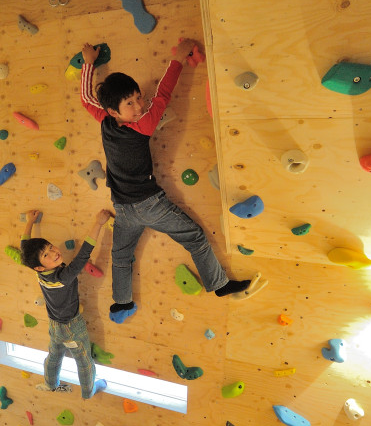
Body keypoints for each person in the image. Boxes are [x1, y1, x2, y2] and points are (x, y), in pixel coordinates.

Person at [80, 39, 250, 323]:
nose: (138, 105)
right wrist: (179, 58)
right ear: (113, 111)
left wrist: (88, 63)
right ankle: (219, 285)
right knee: (194, 237)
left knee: (122, 257)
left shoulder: (105, 122)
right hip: (149, 205)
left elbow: (86, 99)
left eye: (137, 98)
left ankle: (121, 304)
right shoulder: (144, 124)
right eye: (130, 103)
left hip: (123, 208)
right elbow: (164, 94)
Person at [20, 209, 110, 398]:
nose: (53, 253)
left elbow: (24, 245)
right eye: (46, 255)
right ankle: (88, 391)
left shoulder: (39, 272)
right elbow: (84, 254)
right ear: (39, 266)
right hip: (72, 327)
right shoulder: (63, 277)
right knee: (83, 361)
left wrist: (30, 222)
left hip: (54, 325)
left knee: (54, 355)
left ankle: (50, 383)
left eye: (50, 247)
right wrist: (98, 224)